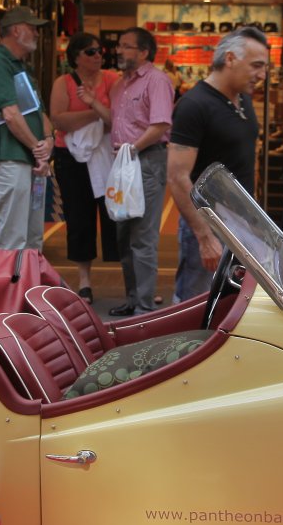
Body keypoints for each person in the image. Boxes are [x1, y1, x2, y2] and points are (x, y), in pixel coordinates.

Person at [167, 27, 269, 300]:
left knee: (232, 301)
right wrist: (204, 236)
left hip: (242, 222)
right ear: (230, 59)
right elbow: (177, 177)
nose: (262, 75)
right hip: (209, 222)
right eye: (256, 65)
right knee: (194, 303)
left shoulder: (243, 99)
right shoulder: (194, 105)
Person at [107, 26, 175, 316]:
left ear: (144, 52)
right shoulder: (119, 85)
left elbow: (160, 125)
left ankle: (144, 308)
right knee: (124, 232)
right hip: (125, 162)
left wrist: (132, 149)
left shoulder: (156, 80)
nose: (119, 50)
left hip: (146, 160)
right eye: (119, 45)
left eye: (126, 46)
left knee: (143, 236)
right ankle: (133, 299)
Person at [48, 31, 119, 301]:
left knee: (115, 214)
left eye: (100, 50)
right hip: (70, 157)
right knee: (79, 217)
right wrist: (96, 112)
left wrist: (89, 109)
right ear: (76, 57)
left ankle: (130, 278)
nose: (98, 55)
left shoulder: (112, 79)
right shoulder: (63, 83)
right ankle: (84, 280)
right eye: (90, 51)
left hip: (106, 155)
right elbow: (59, 120)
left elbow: (116, 119)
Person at [0, 5, 53, 251]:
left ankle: (25, 278)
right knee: (13, 240)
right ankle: (10, 279)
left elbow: (39, 112)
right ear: (17, 30)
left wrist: (48, 140)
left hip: (29, 161)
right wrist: (38, 148)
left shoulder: (21, 67)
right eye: (32, 28)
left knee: (32, 239)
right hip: (10, 160)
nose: (37, 34)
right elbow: (10, 114)